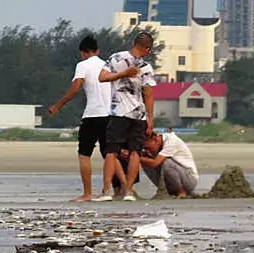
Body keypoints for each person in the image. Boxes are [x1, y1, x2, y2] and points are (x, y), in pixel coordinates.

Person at [48, 35, 127, 202]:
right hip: (110, 115)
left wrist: (58, 105)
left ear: (82, 53)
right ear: (98, 51)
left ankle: (87, 193)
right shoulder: (108, 65)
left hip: (92, 115)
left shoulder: (82, 65)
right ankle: (126, 189)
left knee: (84, 155)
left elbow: (75, 88)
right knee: (110, 155)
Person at [95, 32, 157, 202]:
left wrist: (120, 75)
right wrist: (150, 118)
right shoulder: (145, 66)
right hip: (137, 114)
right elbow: (149, 95)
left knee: (111, 151)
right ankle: (128, 191)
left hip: (120, 112)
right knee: (134, 152)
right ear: (147, 49)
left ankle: (107, 190)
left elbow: (102, 77)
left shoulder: (116, 58)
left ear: (133, 43)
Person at [139, 131, 198, 197]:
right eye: (145, 148)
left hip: (189, 180)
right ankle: (164, 189)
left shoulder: (171, 141)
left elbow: (155, 163)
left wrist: (135, 157)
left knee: (166, 162)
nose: (148, 151)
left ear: (155, 139)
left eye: (147, 148)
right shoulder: (159, 144)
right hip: (173, 180)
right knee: (144, 160)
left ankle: (181, 192)